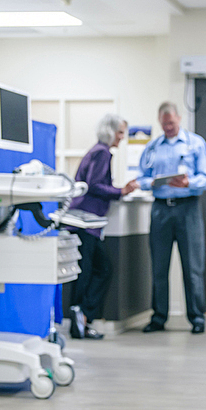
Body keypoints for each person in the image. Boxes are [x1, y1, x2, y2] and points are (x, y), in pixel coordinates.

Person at [136, 102, 206, 334]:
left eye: (171, 123)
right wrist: (149, 182)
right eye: (164, 124)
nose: (168, 127)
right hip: (160, 209)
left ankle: (197, 318)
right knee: (159, 267)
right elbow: (141, 176)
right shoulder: (152, 148)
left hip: (187, 208)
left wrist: (189, 182)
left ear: (179, 119)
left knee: (192, 267)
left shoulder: (195, 144)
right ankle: (159, 317)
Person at [66, 113, 138, 339]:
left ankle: (83, 320)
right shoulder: (102, 153)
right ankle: (81, 319)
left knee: (94, 271)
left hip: (87, 224)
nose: (122, 138)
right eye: (119, 132)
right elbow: (95, 185)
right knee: (94, 271)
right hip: (86, 224)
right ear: (110, 132)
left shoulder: (97, 151)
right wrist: (120, 191)